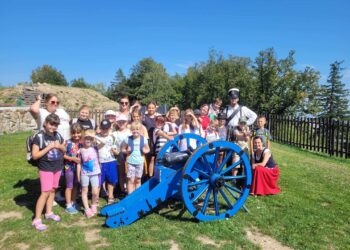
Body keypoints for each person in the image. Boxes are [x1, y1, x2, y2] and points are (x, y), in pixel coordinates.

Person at [31, 113, 66, 231]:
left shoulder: (58, 135)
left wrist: (60, 147)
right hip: (46, 168)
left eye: (56, 125)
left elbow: (64, 149)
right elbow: (35, 156)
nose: (53, 127)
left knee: (53, 190)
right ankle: (36, 219)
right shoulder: (39, 137)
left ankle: (49, 212)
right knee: (45, 192)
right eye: (51, 124)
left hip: (57, 167)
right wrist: (49, 147)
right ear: (45, 123)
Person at [77, 129, 101, 218]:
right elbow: (79, 164)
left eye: (90, 139)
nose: (88, 140)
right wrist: (78, 175)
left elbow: (104, 143)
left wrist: (94, 136)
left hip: (95, 173)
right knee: (84, 191)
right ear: (83, 139)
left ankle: (93, 204)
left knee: (95, 192)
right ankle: (87, 209)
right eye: (86, 138)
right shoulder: (80, 150)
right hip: (84, 173)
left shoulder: (95, 148)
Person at [122, 122, 150, 194]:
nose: (135, 131)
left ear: (140, 130)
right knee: (130, 180)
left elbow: (148, 149)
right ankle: (130, 196)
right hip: (130, 162)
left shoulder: (143, 139)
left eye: (137, 129)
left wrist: (145, 150)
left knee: (138, 179)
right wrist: (126, 151)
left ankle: (137, 195)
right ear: (131, 130)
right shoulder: (128, 139)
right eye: (133, 129)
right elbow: (123, 149)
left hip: (140, 162)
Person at [95, 120, 118, 204]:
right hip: (100, 162)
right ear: (100, 128)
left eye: (106, 128)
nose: (105, 130)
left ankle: (110, 196)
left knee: (111, 180)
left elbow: (116, 149)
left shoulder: (112, 137)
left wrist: (115, 152)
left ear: (109, 128)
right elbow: (96, 147)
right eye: (103, 128)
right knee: (98, 181)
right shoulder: (96, 137)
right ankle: (96, 197)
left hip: (111, 161)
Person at [63, 123, 83, 214]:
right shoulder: (67, 143)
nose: (76, 135)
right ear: (71, 133)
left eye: (78, 133)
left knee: (76, 185)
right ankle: (68, 205)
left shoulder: (82, 143)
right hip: (69, 168)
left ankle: (73, 201)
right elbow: (63, 155)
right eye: (74, 133)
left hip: (79, 168)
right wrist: (72, 159)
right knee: (69, 186)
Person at [112, 114, 131, 197]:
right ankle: (122, 189)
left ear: (126, 122)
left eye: (123, 121)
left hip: (128, 155)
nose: (121, 123)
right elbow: (112, 144)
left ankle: (128, 188)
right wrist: (115, 151)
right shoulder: (115, 133)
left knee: (128, 173)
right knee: (121, 173)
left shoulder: (130, 132)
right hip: (119, 155)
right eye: (120, 122)